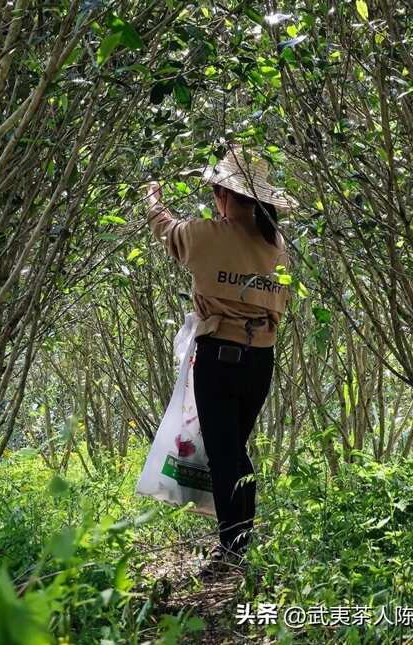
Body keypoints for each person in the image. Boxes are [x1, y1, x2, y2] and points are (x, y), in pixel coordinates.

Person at [143, 145, 297, 580]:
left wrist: (152, 198)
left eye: (217, 192)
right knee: (234, 451)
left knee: (225, 453)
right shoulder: (276, 246)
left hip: (217, 359)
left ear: (227, 197)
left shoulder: (208, 235)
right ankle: (240, 540)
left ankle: (233, 549)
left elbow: (167, 232)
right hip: (259, 361)